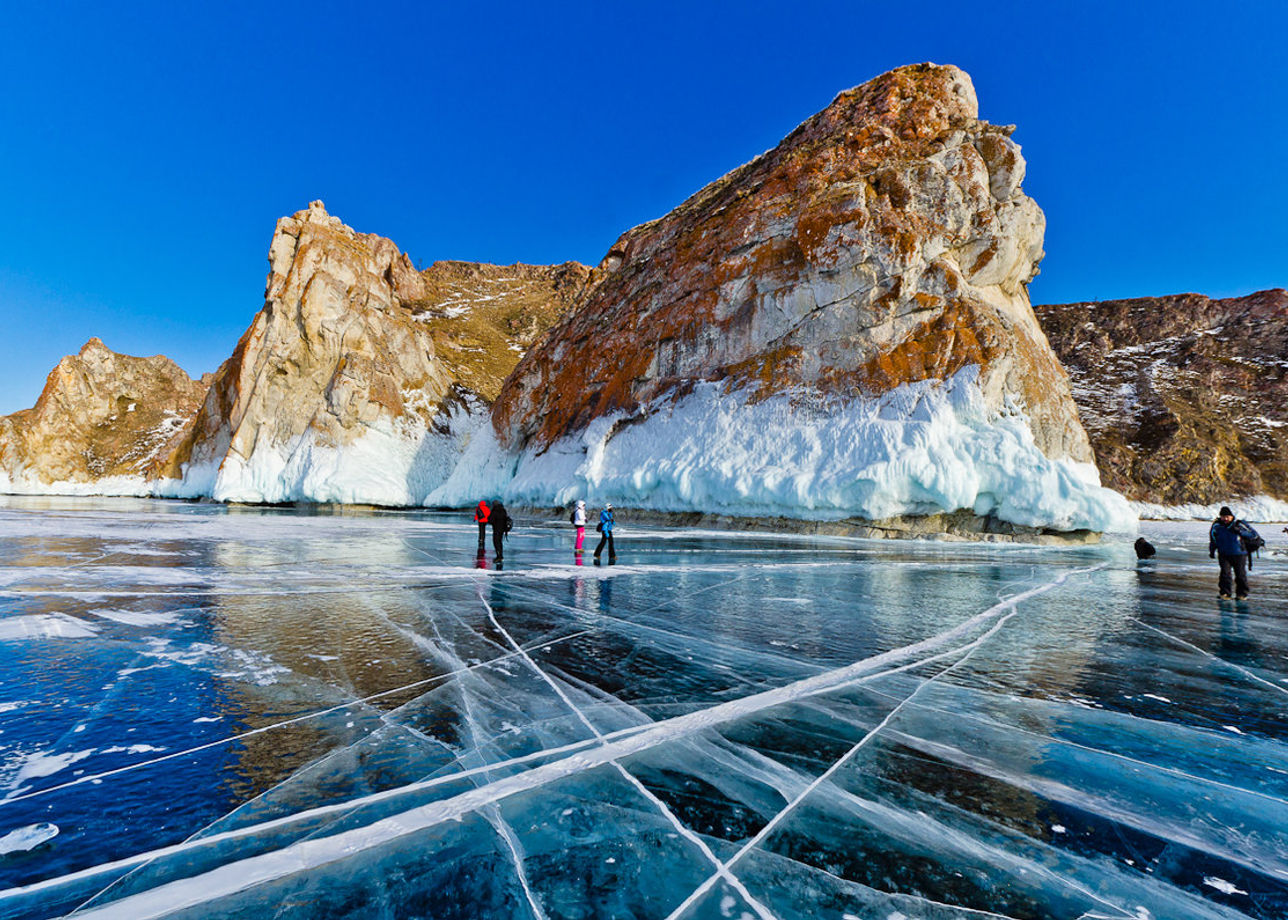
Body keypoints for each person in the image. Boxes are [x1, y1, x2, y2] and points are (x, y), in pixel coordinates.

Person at [1208, 506, 1261, 600]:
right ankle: (1225, 593)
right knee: (1225, 574)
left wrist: (1240, 531)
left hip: (1239, 554)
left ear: (1232, 516)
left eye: (1227, 516)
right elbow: (1213, 539)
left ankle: (1242, 594)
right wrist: (1212, 550)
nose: (1225, 518)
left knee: (1240, 575)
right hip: (1224, 554)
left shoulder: (1239, 524)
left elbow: (1254, 535)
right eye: (1223, 516)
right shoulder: (1217, 526)